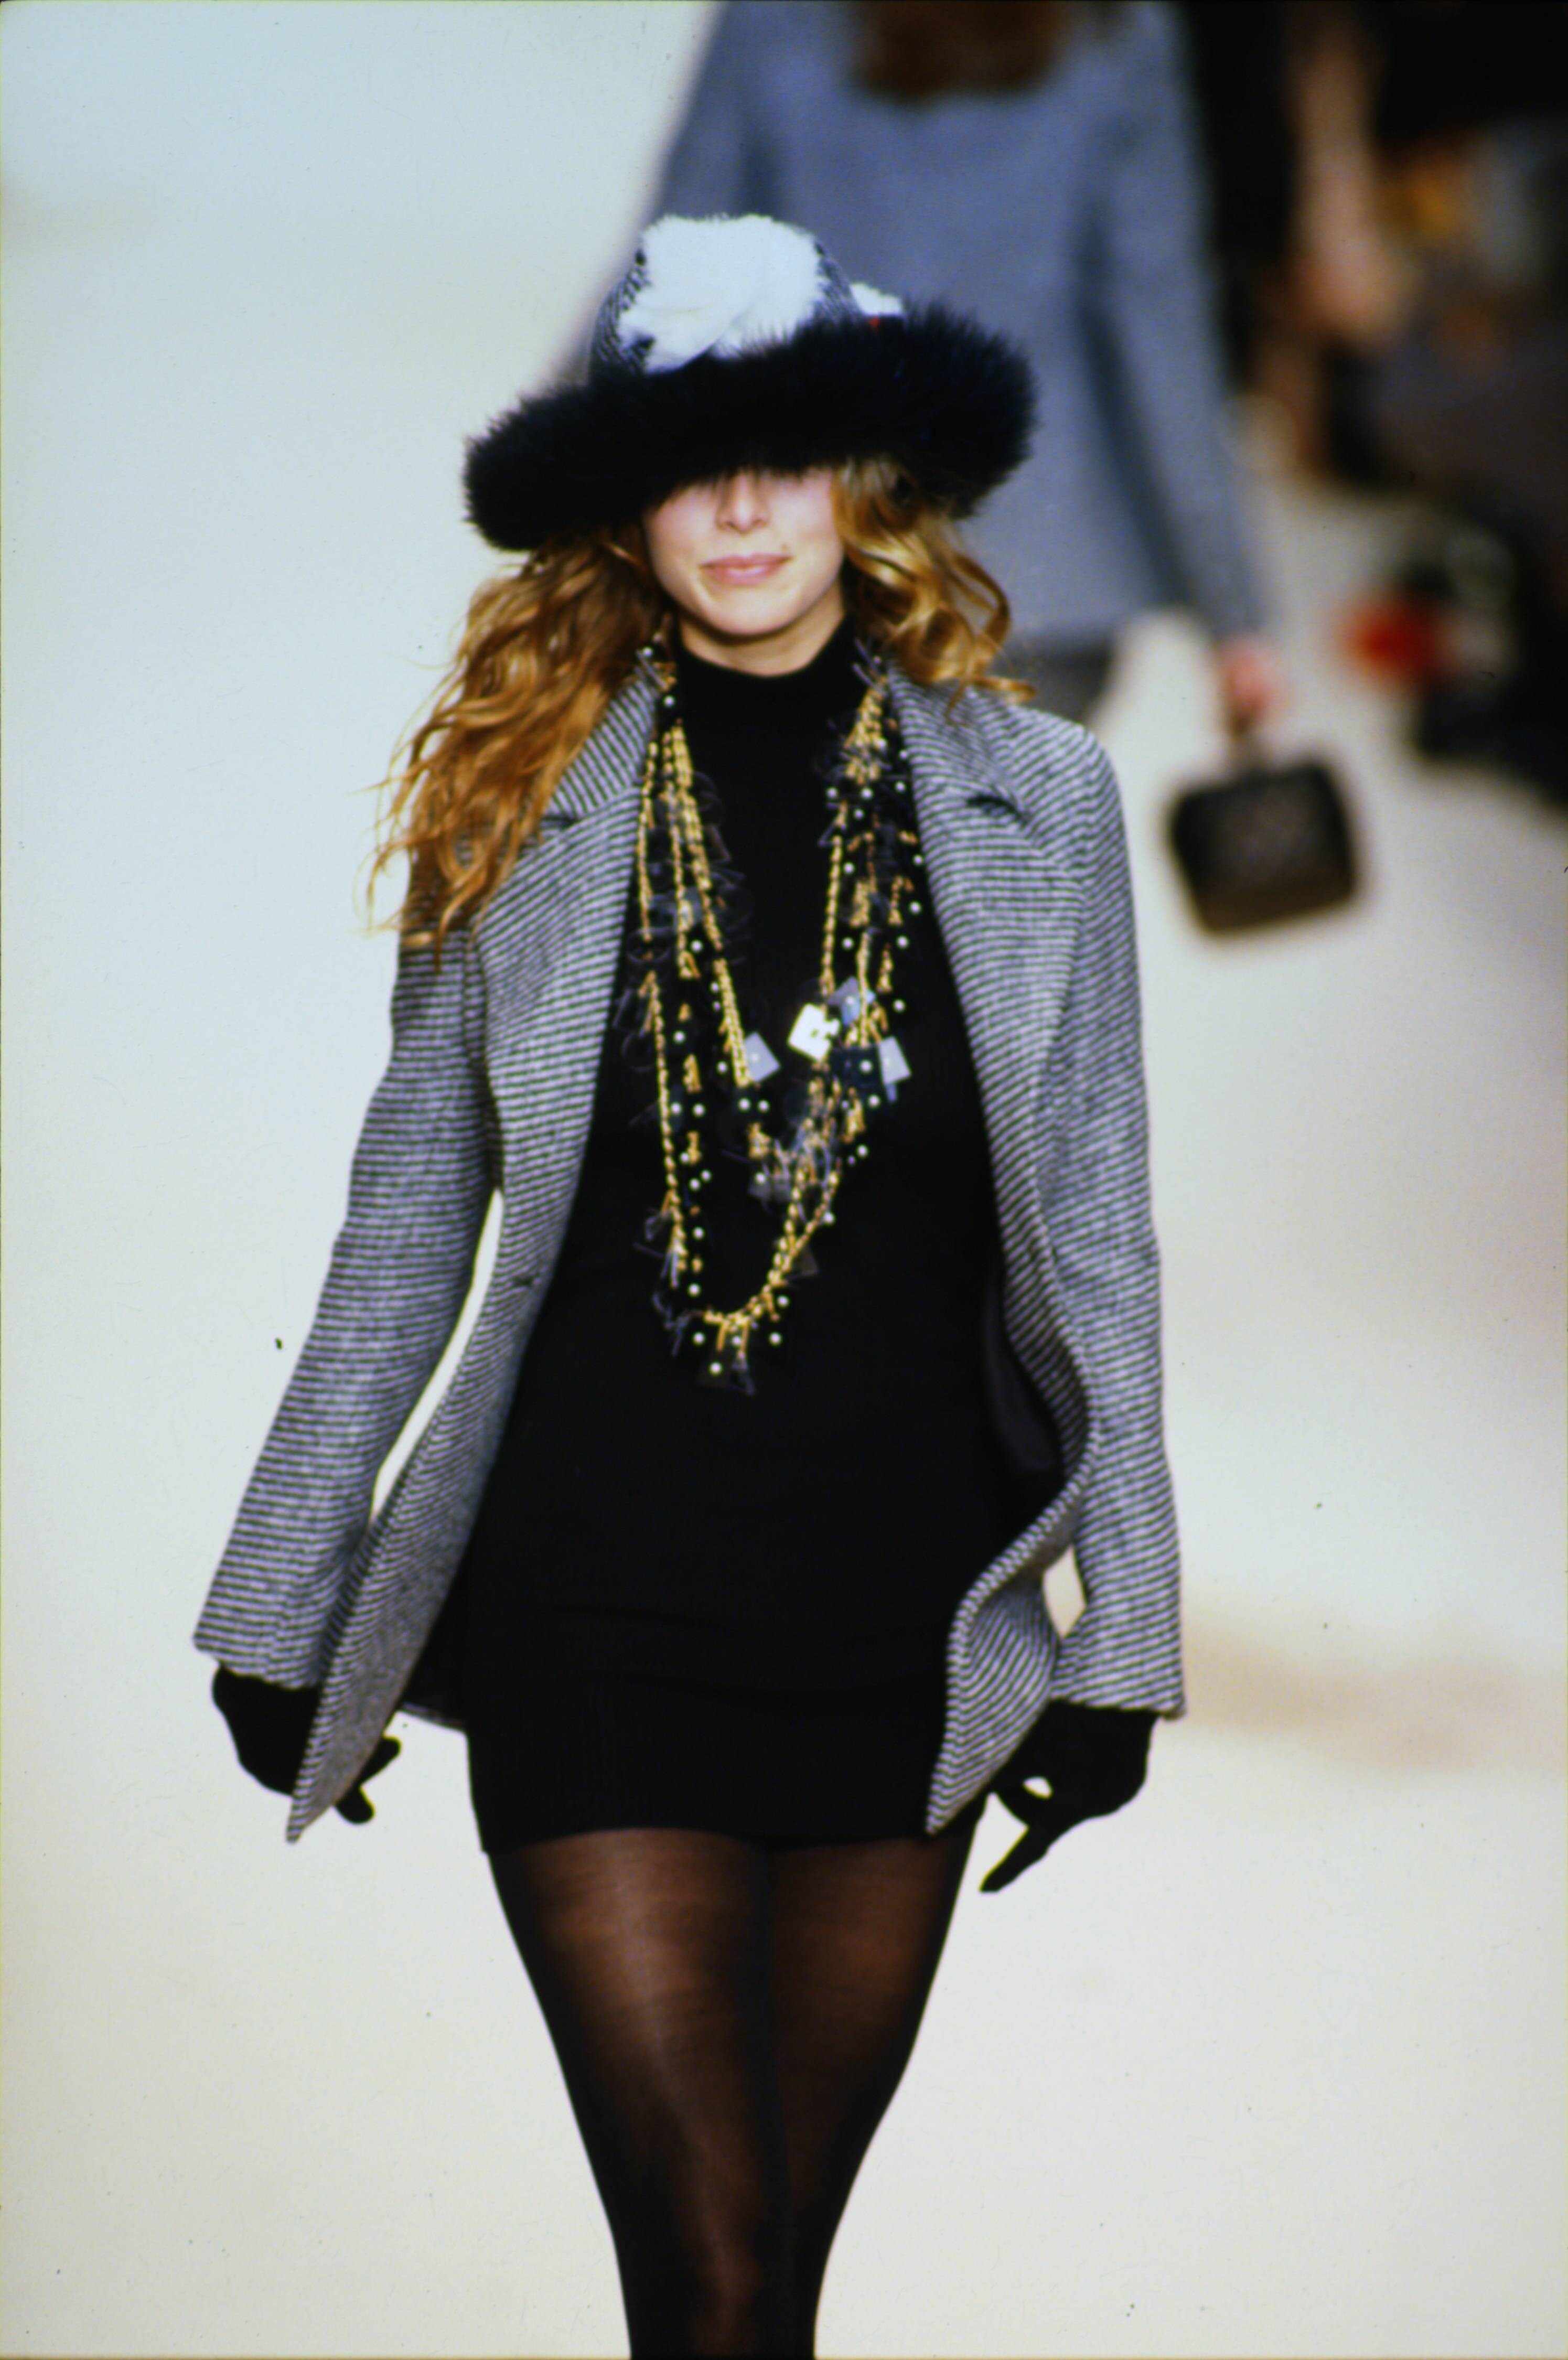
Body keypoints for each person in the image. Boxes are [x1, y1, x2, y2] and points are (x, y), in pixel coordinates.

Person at [195, 212, 1182, 2357]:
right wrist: (282, 1595)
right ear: (624, 507)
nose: (741, 509)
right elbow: (406, 1220)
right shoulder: (524, 798)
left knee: (758, 2301)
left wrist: (1126, 1640)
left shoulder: (1041, 806)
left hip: (900, 1625)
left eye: (788, 455)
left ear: (865, 483)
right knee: (716, 2278)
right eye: (688, 464)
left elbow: (1098, 1230)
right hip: (597, 1605)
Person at [655, 0, 1284, 730]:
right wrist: (1233, 613)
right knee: (1006, 806)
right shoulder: (1112, 30)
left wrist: (567, 491)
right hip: (1042, 569)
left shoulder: (775, 19)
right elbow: (1156, 318)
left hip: (819, 547)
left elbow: (674, 276)